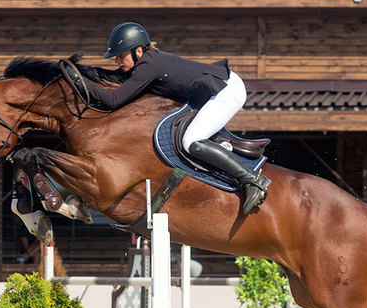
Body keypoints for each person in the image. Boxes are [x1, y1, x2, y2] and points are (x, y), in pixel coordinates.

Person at [64, 21, 270, 214]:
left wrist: (78, 81)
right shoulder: (146, 63)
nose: (117, 61)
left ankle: (253, 182)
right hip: (213, 90)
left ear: (138, 51)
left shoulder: (148, 66)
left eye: (120, 55)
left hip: (227, 91)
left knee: (191, 141)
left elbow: (114, 99)